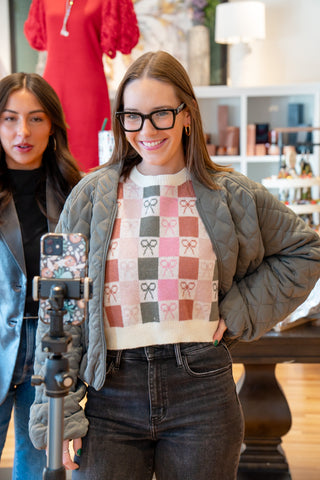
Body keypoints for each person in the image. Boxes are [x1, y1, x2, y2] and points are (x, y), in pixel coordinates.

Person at [29, 51, 320, 480]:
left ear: (187, 115)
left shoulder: (234, 194)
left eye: (161, 114)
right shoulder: (88, 197)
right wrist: (57, 412)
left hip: (202, 392)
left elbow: (305, 252)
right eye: (132, 116)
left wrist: (239, 310)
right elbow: (60, 305)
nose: (146, 130)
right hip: (110, 395)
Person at [0, 72, 82, 479]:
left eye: (36, 119)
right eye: (10, 118)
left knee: (36, 464)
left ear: (52, 127)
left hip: (50, 345)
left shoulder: (74, 193)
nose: (22, 132)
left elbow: (76, 285)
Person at [24, 0, 140, 172]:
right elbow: (38, 38)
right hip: (52, 87)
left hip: (88, 90)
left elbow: (126, 39)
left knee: (91, 161)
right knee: (50, 158)